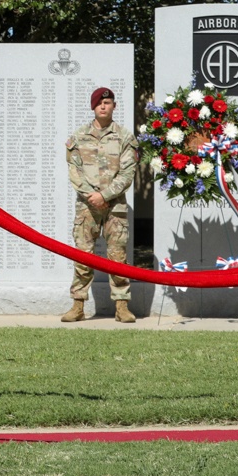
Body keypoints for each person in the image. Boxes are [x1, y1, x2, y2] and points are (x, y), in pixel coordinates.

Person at [62, 87, 139, 323]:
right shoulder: (78, 137)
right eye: (99, 103)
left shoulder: (125, 137)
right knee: (83, 256)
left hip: (115, 207)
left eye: (108, 102)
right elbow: (74, 172)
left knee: (118, 257)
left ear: (114, 106)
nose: (103, 106)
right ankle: (77, 305)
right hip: (87, 207)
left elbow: (127, 173)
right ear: (93, 107)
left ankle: (122, 307)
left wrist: (105, 195)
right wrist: (91, 195)